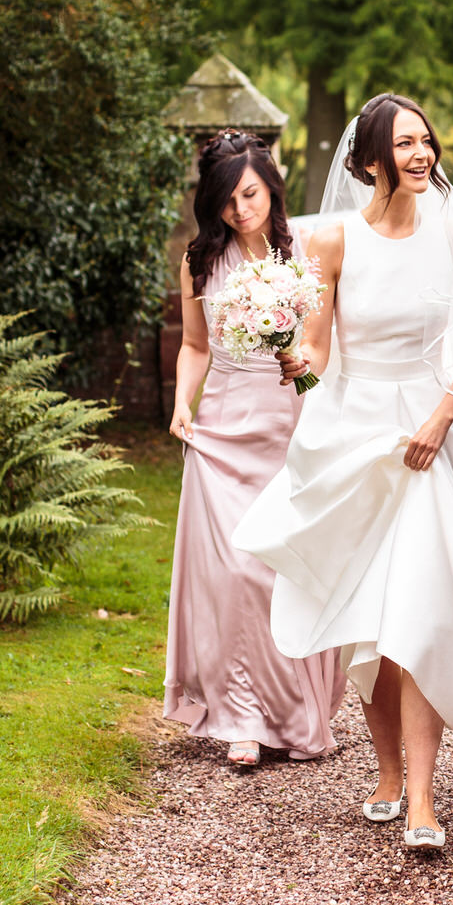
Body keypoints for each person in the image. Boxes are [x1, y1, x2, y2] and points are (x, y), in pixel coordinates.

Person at [235, 94, 453, 851]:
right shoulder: (333, 240)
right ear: (370, 158)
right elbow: (319, 357)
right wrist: (290, 357)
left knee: (420, 612)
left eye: (426, 141)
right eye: (404, 143)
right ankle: (387, 772)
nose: (421, 155)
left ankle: (424, 802)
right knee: (370, 623)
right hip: (355, 437)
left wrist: (442, 415)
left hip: (432, 429)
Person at [163, 131, 346, 767]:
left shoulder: (304, 257)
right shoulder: (199, 264)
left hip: (288, 428)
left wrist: (302, 360)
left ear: (270, 187)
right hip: (221, 430)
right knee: (234, 576)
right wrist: (183, 402)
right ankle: (240, 715)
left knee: (282, 571)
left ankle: (297, 716)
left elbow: (322, 353)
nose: (241, 210)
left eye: (249, 194)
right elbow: (194, 346)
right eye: (227, 200)